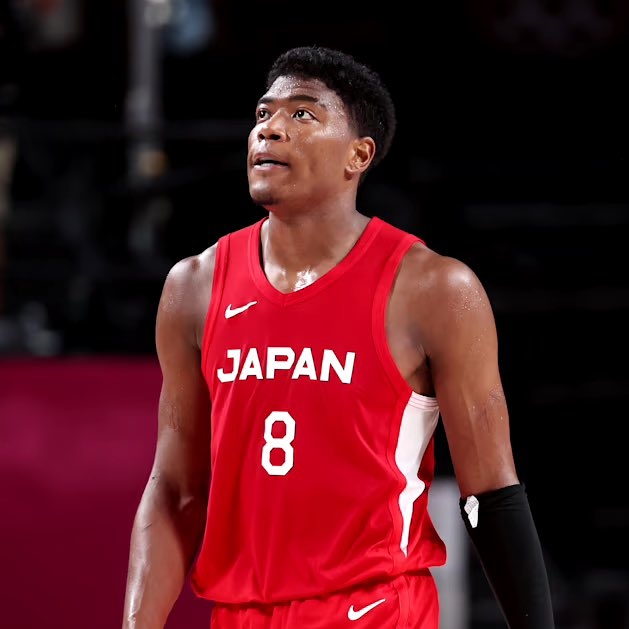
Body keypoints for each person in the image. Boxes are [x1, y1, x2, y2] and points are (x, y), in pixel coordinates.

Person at [122, 45, 555, 629]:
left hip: (374, 607)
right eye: (263, 114)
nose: (270, 129)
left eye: (302, 114)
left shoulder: (434, 288)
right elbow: (175, 490)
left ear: (359, 155)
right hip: (241, 613)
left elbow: (491, 494)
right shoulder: (193, 287)